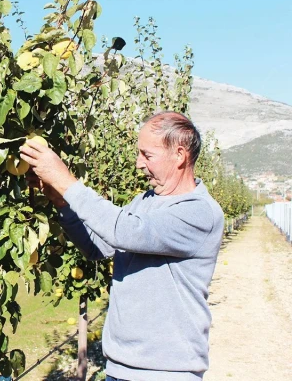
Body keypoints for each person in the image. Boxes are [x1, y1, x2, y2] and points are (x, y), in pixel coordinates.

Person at [19, 111, 224, 381]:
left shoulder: (199, 212)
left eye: (147, 155)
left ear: (180, 155)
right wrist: (61, 202)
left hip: (166, 372)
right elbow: (98, 246)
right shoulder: (146, 201)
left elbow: (124, 231)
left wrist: (65, 180)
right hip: (118, 367)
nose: (139, 164)